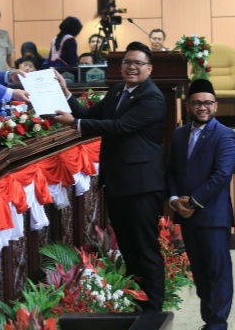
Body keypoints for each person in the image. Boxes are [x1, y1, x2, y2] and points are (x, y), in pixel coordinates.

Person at [54, 41, 166, 312]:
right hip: (118, 182)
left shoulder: (152, 97)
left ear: (149, 68)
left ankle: (154, 309)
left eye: (138, 63)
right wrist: (67, 93)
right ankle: (139, 301)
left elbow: (119, 127)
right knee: (128, 247)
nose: (131, 67)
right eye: (127, 62)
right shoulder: (117, 91)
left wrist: (76, 124)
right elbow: (89, 114)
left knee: (144, 248)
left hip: (141, 186)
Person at [167, 78, 235, 330]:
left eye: (207, 103)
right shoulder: (179, 134)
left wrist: (194, 201)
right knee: (199, 272)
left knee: (218, 272)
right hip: (186, 216)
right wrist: (175, 201)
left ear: (215, 106)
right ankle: (210, 320)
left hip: (213, 216)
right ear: (188, 105)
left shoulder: (224, 134)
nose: (202, 107)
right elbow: (171, 171)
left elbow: (222, 175)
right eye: (197, 103)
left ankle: (218, 323)